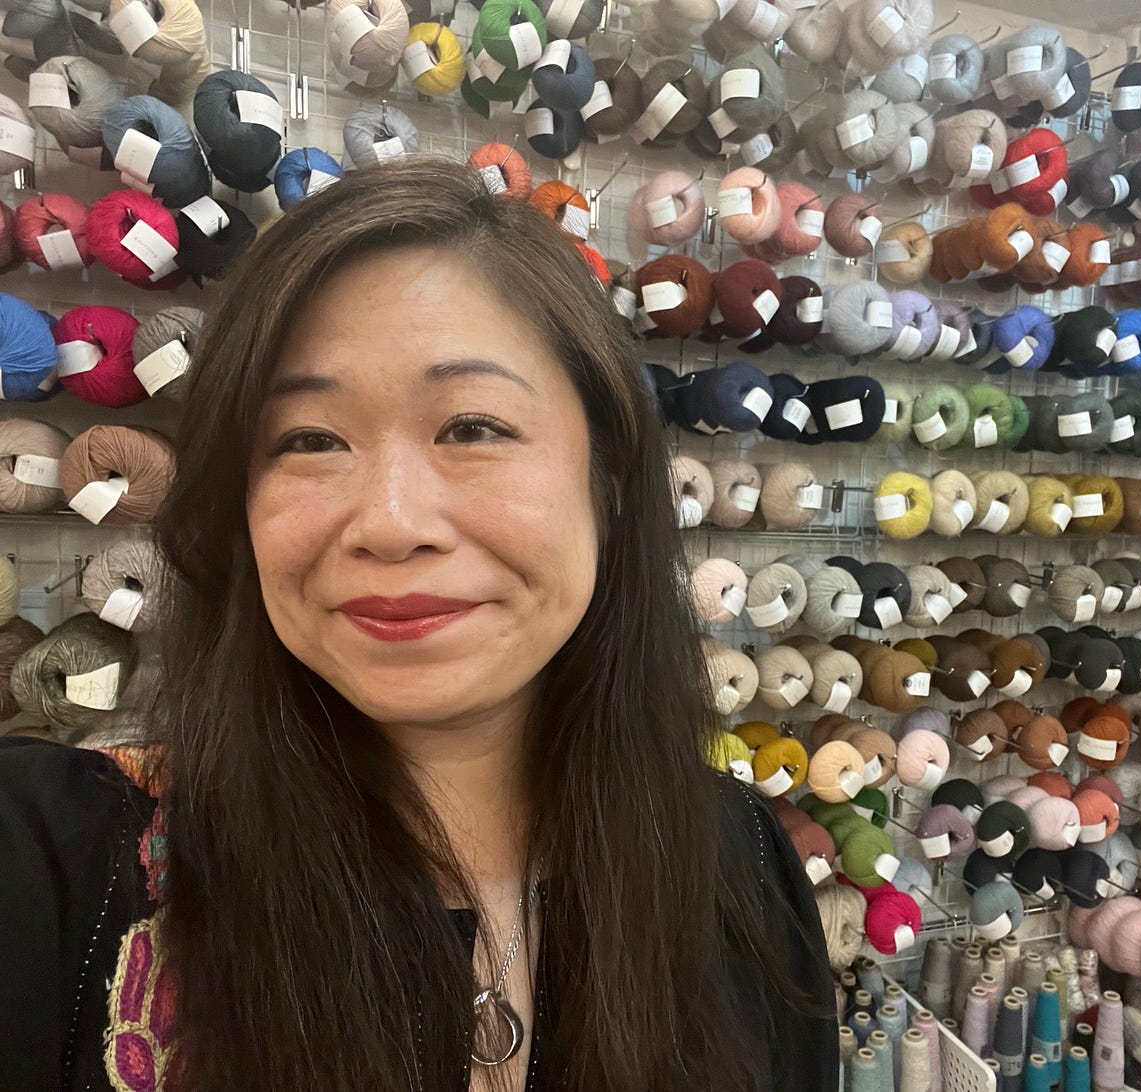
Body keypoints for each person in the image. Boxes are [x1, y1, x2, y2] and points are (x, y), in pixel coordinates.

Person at [0, 158, 837, 1092]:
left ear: (606, 480)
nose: (391, 524)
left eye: (472, 426)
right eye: (309, 440)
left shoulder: (742, 867)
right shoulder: (56, 863)